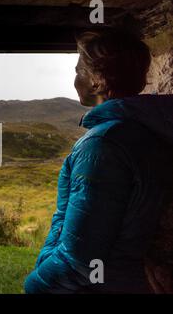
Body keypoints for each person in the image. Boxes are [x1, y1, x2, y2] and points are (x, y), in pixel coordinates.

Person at [24, 29, 173, 294]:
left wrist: (35, 285)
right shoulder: (144, 130)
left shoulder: (102, 145)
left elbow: (80, 260)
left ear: (97, 81)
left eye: (79, 70)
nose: (75, 78)